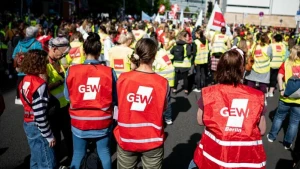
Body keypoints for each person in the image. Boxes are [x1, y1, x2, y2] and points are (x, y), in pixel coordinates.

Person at [190, 48, 266, 169]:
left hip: (213, 157)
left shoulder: (209, 93)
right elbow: (262, 130)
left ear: (220, 68)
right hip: (245, 159)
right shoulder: (257, 97)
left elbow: (200, 121)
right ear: (242, 69)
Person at [114, 38, 169, 169]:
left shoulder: (123, 78)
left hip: (126, 136)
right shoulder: (162, 83)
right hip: (152, 139)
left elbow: (119, 103)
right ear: (154, 55)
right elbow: (164, 108)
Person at [64, 32, 117, 169]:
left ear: (84, 50)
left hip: (79, 121)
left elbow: (67, 96)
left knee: (78, 154)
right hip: (102, 120)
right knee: (104, 152)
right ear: (99, 52)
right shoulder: (109, 71)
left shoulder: (71, 71)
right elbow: (115, 98)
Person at [19, 49, 56, 169]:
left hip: (28, 121)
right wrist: (49, 135)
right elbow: (40, 115)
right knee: (47, 163)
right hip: (37, 125)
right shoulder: (39, 84)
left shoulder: (25, 79)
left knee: (35, 158)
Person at [267, 45, 300, 150]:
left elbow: (279, 76)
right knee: (294, 122)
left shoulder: (286, 63)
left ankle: (272, 137)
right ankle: (287, 143)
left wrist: (281, 89)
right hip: (298, 100)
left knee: (279, 117)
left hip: (285, 96)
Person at [47, 36, 73, 165]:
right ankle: (56, 163)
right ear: (54, 49)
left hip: (65, 106)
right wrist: (60, 81)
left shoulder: (59, 61)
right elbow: (42, 87)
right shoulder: (45, 64)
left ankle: (73, 160)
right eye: (62, 54)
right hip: (52, 108)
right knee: (55, 138)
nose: (63, 56)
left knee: (69, 136)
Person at [12, 26, 43, 105]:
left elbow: (13, 55)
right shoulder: (36, 43)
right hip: (32, 70)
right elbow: (40, 56)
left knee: (20, 84)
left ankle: (20, 97)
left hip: (21, 70)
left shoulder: (20, 43)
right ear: (35, 34)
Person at [245, 33, 272, 105]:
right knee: (263, 86)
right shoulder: (268, 47)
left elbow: (250, 53)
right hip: (264, 69)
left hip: (254, 68)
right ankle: (263, 99)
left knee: (250, 84)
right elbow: (271, 57)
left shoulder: (255, 45)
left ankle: (248, 98)